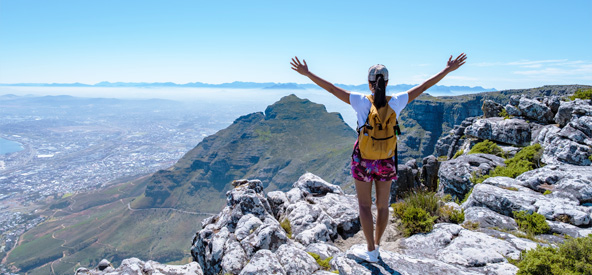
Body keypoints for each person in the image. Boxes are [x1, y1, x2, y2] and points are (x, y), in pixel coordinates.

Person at [290, 53, 467, 263]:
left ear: (369, 82)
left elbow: (331, 88)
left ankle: (370, 250)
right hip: (386, 160)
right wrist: (447, 70)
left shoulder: (359, 101)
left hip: (363, 160)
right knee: (382, 206)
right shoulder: (398, 101)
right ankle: (378, 246)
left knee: (364, 206)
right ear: (388, 82)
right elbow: (423, 86)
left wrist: (307, 72)